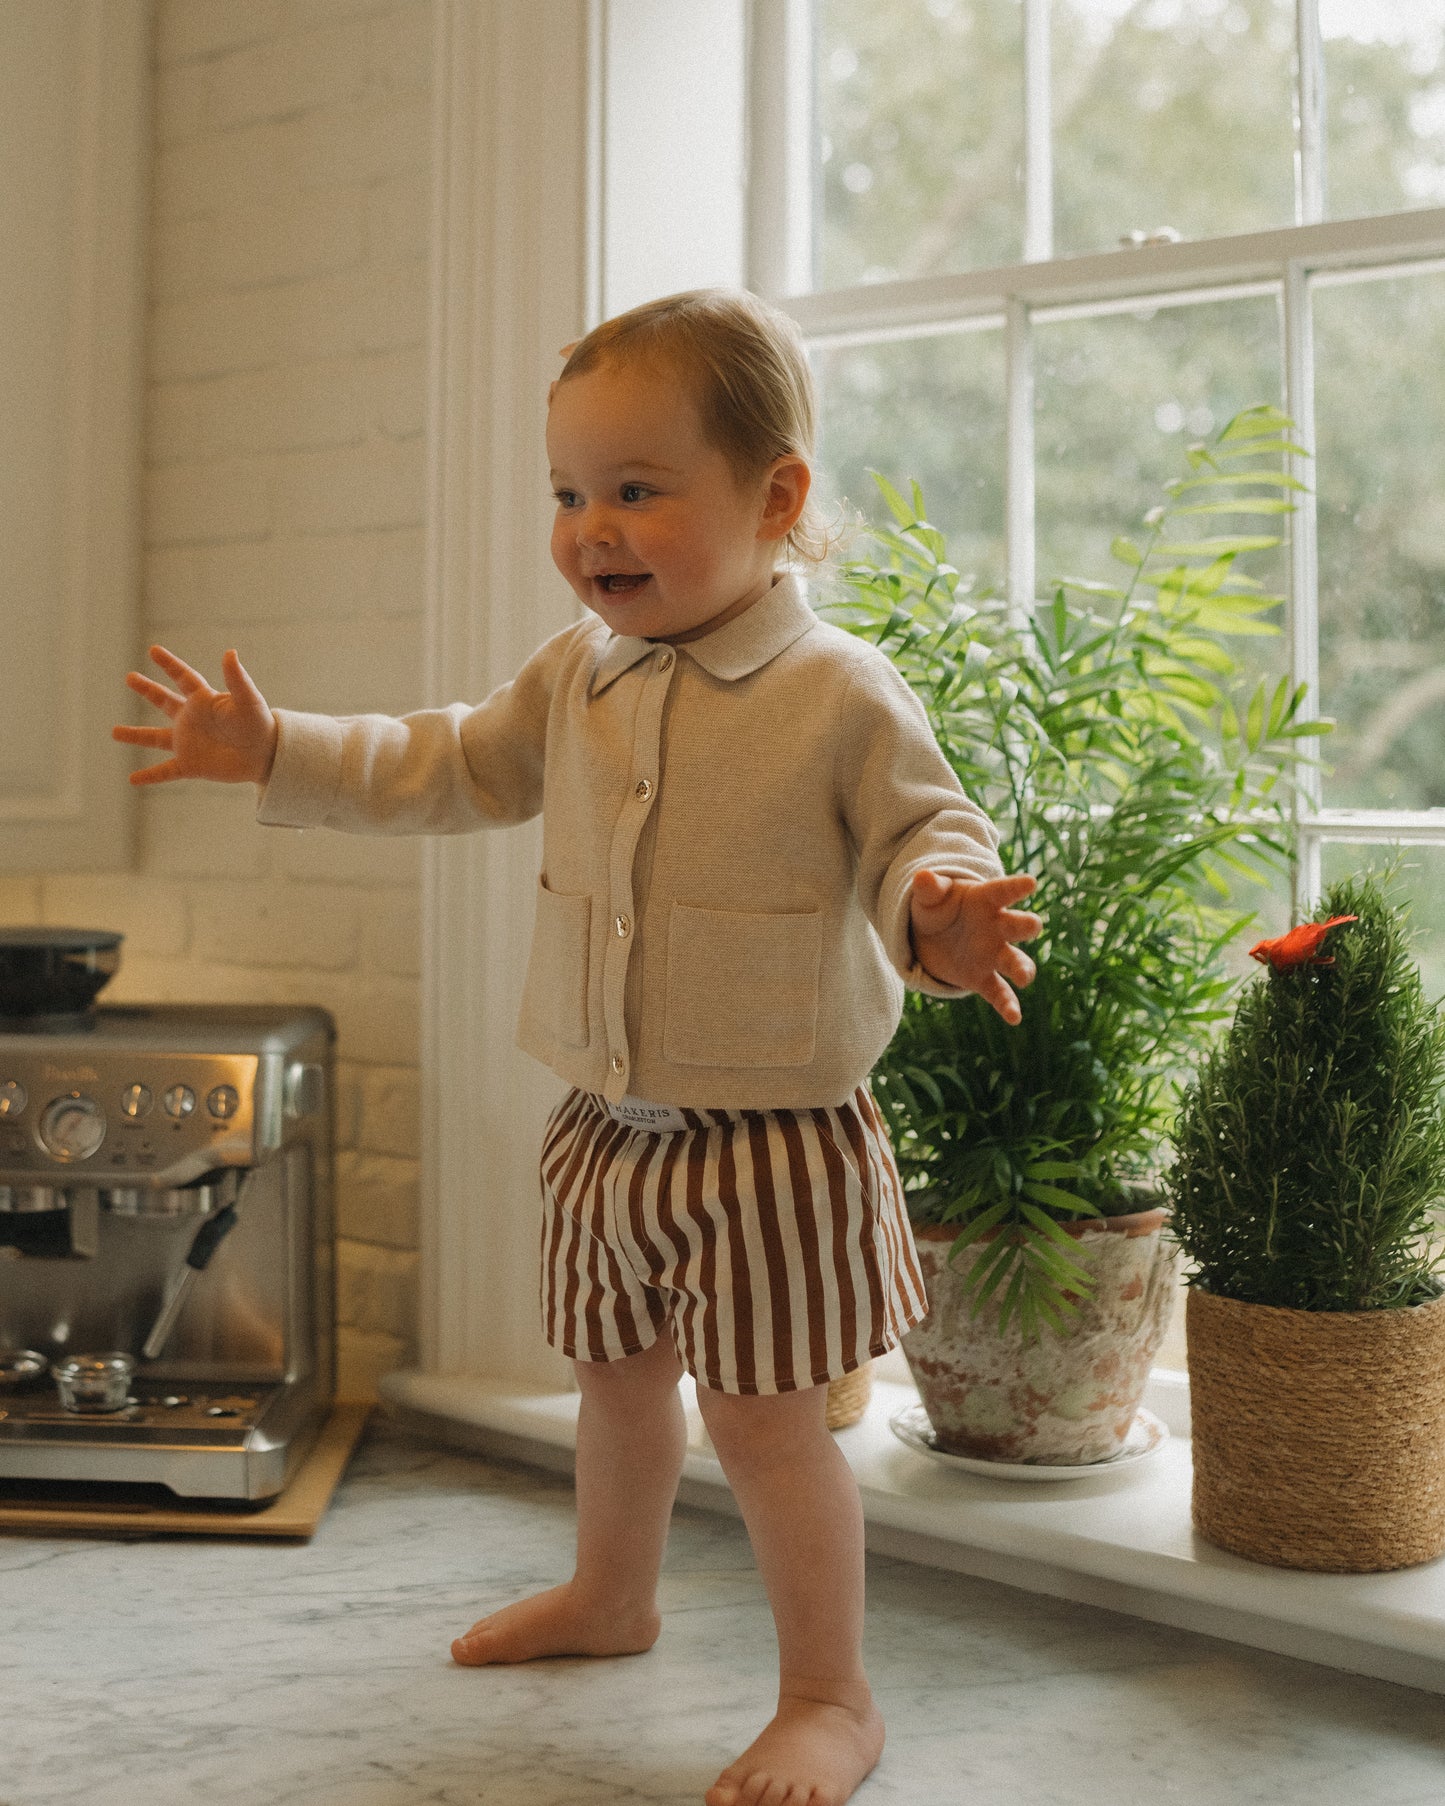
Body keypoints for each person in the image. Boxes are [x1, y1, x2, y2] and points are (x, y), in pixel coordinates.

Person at [114, 288, 1040, 1806]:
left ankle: (829, 1692)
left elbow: (922, 838)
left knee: (761, 1419)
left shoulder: (836, 691)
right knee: (611, 1378)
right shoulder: (578, 675)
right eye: (566, 492)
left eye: (633, 489)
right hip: (605, 1126)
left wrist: (939, 913)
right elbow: (449, 759)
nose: (589, 527)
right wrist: (278, 746)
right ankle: (612, 1597)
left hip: (772, 1145)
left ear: (777, 498)